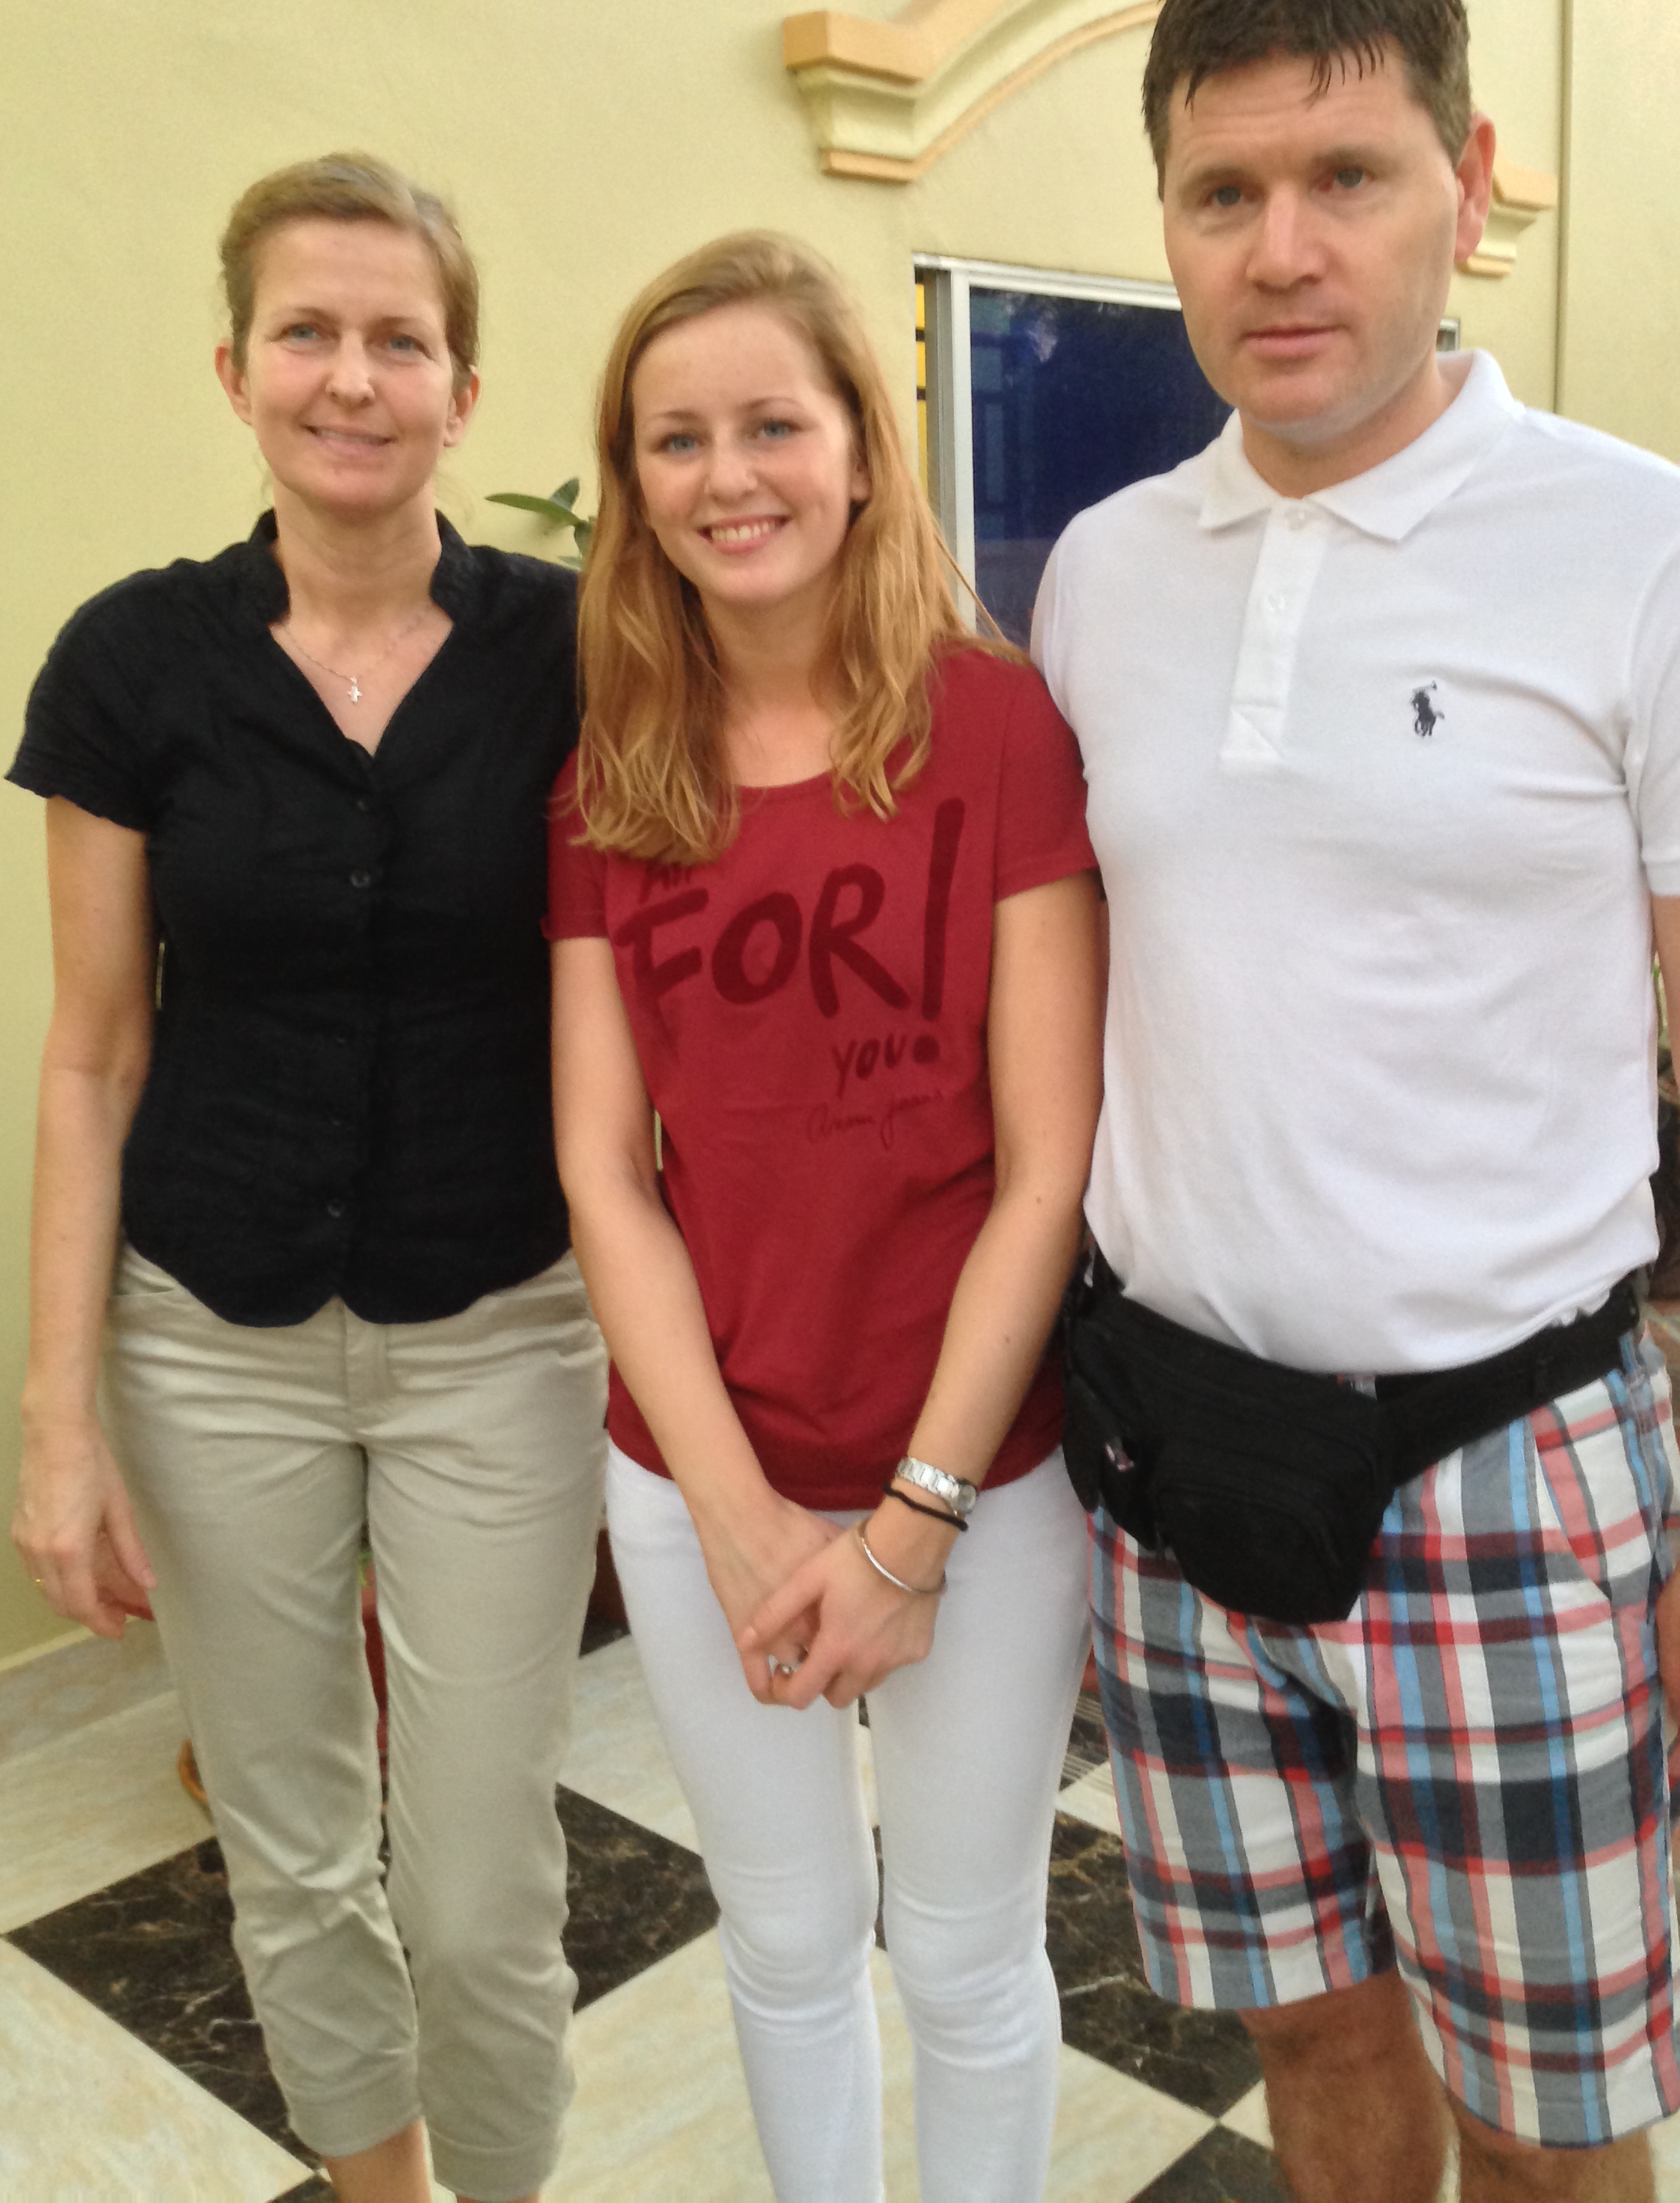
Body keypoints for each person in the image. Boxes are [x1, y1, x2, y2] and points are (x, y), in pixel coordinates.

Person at [1032, 0, 1680, 2203]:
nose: (1283, 250)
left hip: (1503, 1475)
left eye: (1348, 176)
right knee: (1311, 2028)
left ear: (1468, 188)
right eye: (1224, 191)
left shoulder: (1657, 557)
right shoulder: (1101, 573)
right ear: (1167, 216)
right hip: (1178, 1466)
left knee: (1551, 2121)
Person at [9, 153, 607, 2203]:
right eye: (307, 332)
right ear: (235, 367)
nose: (352, 377)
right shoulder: (134, 662)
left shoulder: (574, 650)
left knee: (478, 1880)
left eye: (398, 339)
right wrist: (60, 1415)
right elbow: (93, 1051)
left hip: (499, 1331)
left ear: (463, 388)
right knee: (290, 1850)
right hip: (208, 1340)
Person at [548, 230, 1101, 2202]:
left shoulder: (999, 728)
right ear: (636, 488)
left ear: (864, 446)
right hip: (702, 1475)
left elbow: (1047, 1164)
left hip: (980, 1477)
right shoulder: (613, 771)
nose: (731, 477)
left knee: (963, 1951)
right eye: (677, 440)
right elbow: (607, 1170)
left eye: (773, 424)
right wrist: (732, 1513)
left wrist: (911, 1523)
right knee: (784, 1946)